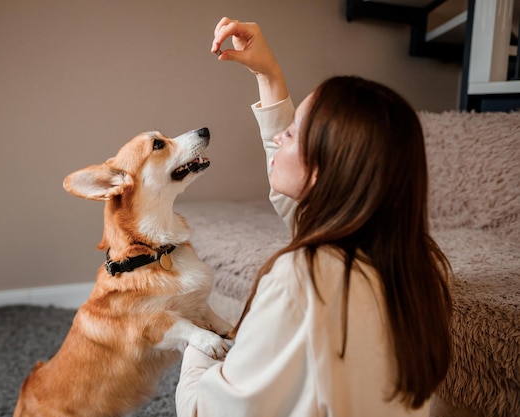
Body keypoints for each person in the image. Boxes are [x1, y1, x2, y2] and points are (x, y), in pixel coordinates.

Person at [174, 17, 454, 417]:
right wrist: (267, 72)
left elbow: (205, 411)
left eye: (292, 134)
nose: (279, 137)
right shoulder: (413, 270)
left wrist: (198, 348)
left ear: (323, 171)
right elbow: (304, 210)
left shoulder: (302, 277)